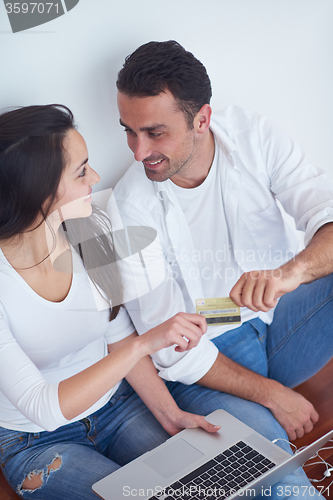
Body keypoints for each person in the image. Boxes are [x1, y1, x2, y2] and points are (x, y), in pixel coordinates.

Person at [109, 40, 333, 499]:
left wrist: (290, 274)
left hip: (277, 313)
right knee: (272, 481)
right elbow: (172, 350)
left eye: (154, 132)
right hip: (209, 353)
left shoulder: (252, 135)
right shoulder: (128, 207)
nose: (137, 151)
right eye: (129, 132)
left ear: (202, 120)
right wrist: (271, 394)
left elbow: (325, 213)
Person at [0, 104, 220, 500]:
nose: (96, 178)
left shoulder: (88, 228)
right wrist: (146, 342)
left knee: (208, 485)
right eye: (82, 170)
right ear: (39, 188)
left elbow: (116, 333)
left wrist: (171, 416)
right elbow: (42, 407)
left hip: (117, 407)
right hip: (35, 442)